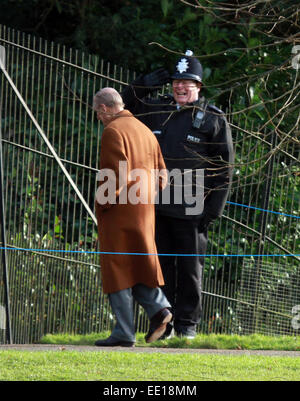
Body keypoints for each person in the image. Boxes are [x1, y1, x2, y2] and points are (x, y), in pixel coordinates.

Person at [122, 50, 234, 339]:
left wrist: (213, 210)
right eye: (175, 81)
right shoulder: (157, 108)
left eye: (187, 82)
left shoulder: (213, 118)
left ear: (198, 86)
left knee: (189, 270)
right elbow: (121, 108)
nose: (179, 87)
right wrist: (141, 84)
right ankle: (164, 325)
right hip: (156, 206)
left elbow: (224, 167)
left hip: (193, 208)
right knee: (159, 268)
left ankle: (187, 326)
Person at [93, 87, 172, 347]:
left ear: (104, 109)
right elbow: (163, 176)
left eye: (96, 112)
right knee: (137, 266)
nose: (97, 117)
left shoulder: (113, 131)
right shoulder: (144, 130)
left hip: (119, 212)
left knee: (117, 269)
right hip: (144, 210)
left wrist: (100, 207)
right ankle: (160, 310)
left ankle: (124, 332)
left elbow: (114, 177)